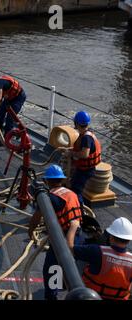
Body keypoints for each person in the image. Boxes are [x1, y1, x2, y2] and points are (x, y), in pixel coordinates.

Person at [28, 164, 83, 300]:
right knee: (71, 265)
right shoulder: (72, 193)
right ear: (61, 180)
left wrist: (31, 230)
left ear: (47, 181)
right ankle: (64, 284)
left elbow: (37, 216)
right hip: (77, 234)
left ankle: (52, 296)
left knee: (52, 268)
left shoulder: (51, 199)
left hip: (62, 238)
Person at [69, 217, 132, 300]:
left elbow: (70, 248)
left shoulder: (97, 251)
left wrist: (73, 227)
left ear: (111, 237)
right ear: (128, 240)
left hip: (89, 297)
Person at [60, 111, 101, 208]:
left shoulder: (86, 138)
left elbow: (85, 154)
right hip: (84, 168)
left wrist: (71, 153)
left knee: (76, 189)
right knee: (74, 183)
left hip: (86, 170)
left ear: (77, 124)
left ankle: (80, 210)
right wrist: (71, 150)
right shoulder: (87, 134)